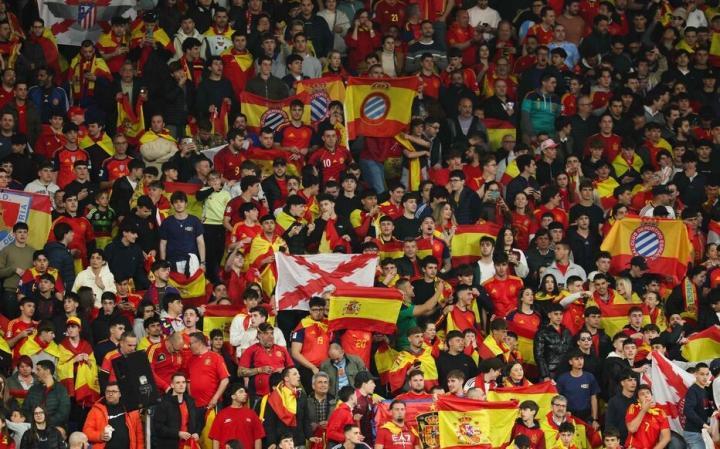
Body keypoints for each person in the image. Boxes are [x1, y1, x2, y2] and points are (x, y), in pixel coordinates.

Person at [83, 382, 144, 449]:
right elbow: (86, 432)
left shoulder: (131, 410)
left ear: (120, 394)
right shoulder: (96, 410)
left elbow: (139, 437)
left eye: (114, 391)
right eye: (108, 391)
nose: (110, 394)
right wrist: (100, 436)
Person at [263, 367, 312, 449]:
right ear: (286, 378)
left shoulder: (301, 395)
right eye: (295, 374)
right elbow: (269, 423)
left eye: (298, 374)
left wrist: (309, 435)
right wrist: (272, 442)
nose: (299, 376)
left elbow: (305, 419)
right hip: (282, 443)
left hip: (299, 442)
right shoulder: (275, 397)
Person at [152, 372, 203, 449]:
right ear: (172, 385)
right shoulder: (163, 403)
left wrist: (197, 433)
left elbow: (198, 420)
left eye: (183, 382)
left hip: (188, 444)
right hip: (169, 445)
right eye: (178, 383)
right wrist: (178, 433)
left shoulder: (190, 401)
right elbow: (158, 427)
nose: (181, 385)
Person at [210, 384, 264, 449]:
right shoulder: (221, 415)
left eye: (245, 392)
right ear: (233, 396)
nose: (245, 394)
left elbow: (258, 437)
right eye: (241, 392)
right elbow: (216, 439)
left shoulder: (252, 414)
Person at [22, 360, 69, 431]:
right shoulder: (33, 389)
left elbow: (63, 413)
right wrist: (35, 422)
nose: (35, 372)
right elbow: (25, 409)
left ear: (47, 371)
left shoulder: (61, 390)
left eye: (38, 370)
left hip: (54, 428)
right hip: (33, 427)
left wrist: (45, 423)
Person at [625, 385, 671, 449]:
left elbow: (666, 438)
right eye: (642, 394)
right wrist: (643, 410)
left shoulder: (660, 412)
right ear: (638, 399)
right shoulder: (633, 408)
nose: (646, 395)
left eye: (648, 393)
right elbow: (632, 429)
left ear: (651, 396)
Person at [683, 362, 712, 449]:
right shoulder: (693, 390)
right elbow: (688, 410)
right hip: (693, 432)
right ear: (695, 374)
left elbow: (707, 410)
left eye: (707, 374)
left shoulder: (705, 390)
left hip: (702, 432)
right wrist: (704, 424)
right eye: (702, 374)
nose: (705, 377)